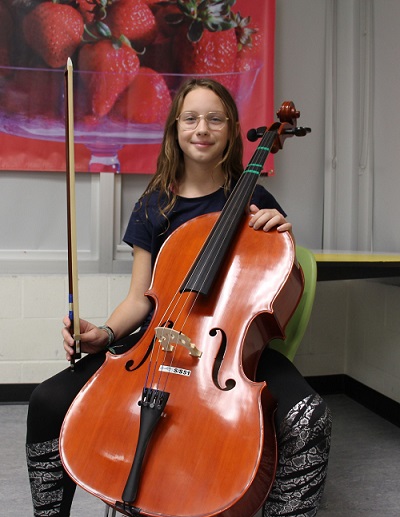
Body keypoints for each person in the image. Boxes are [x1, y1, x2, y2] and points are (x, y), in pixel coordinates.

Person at [26, 78, 331, 517]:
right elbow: (139, 297)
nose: (201, 128)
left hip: (230, 351)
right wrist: (106, 332)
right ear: (175, 129)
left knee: (309, 417)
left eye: (214, 119)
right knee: (46, 401)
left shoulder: (254, 202)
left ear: (230, 131)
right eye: (190, 118)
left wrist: (279, 233)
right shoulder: (154, 205)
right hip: (157, 343)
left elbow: (273, 284)